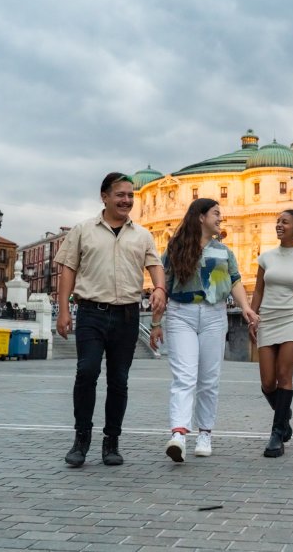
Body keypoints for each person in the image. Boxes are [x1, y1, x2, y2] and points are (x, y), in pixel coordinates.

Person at [55, 172, 166, 468]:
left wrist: (159, 288)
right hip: (91, 312)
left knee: (119, 380)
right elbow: (67, 269)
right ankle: (81, 439)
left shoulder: (142, 235)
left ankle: (111, 441)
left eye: (130, 195)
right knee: (87, 371)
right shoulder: (83, 230)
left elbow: (155, 265)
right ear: (104, 197)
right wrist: (63, 311)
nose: (126, 200)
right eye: (120, 195)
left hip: (127, 315)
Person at [161, 198, 258, 462]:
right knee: (184, 376)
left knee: (209, 379)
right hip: (181, 313)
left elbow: (235, 281)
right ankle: (179, 434)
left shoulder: (224, 252)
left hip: (215, 314)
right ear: (201, 217)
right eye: (216, 213)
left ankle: (205, 433)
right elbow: (164, 284)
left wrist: (246, 308)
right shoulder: (175, 248)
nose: (220, 218)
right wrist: (157, 322)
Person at [249, 208, 293, 458]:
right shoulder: (265, 258)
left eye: (284, 222)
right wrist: (252, 317)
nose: (279, 225)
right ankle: (284, 413)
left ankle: (277, 435)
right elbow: (258, 290)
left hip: (292, 318)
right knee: (268, 383)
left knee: (284, 376)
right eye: (278, 221)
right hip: (267, 318)